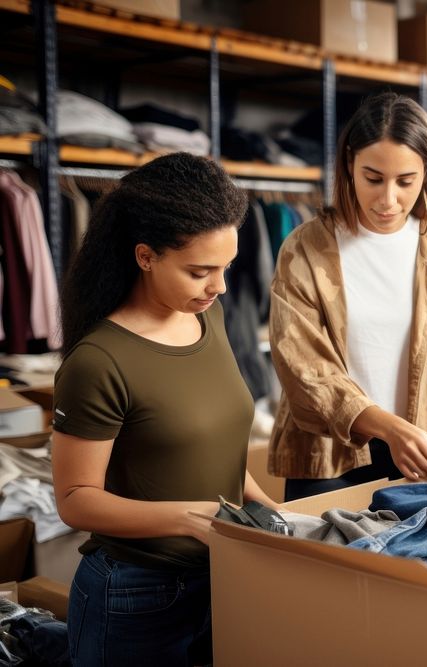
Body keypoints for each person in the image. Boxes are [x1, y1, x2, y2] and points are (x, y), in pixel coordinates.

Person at [52, 152, 280, 666]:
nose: (219, 286)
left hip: (222, 578)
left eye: (226, 267)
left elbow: (215, 448)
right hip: (135, 595)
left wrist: (272, 513)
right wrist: (185, 518)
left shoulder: (210, 318)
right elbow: (75, 499)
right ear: (145, 256)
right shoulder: (99, 361)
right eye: (200, 271)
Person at [268, 91, 427, 502]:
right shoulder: (305, 248)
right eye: (373, 178)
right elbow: (303, 368)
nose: (388, 199)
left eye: (405, 181)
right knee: (326, 566)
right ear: (349, 165)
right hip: (329, 457)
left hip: (422, 454)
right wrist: (388, 427)